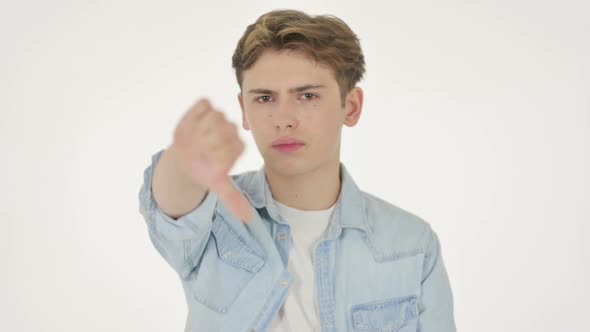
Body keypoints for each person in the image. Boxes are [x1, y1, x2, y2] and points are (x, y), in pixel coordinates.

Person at [138, 9, 456, 332]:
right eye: (264, 98)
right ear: (244, 110)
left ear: (351, 106)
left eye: (307, 95)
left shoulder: (413, 246)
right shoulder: (216, 219)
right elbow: (170, 205)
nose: (284, 118)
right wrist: (185, 156)